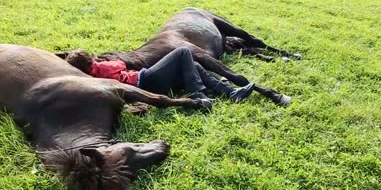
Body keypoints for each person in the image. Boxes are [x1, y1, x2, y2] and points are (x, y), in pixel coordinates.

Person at [63, 47, 255, 108]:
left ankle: (230, 92)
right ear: (90, 60)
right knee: (182, 52)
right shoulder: (99, 67)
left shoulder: (89, 77)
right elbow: (121, 64)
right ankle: (198, 93)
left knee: (194, 66)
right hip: (145, 80)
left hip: (147, 86)